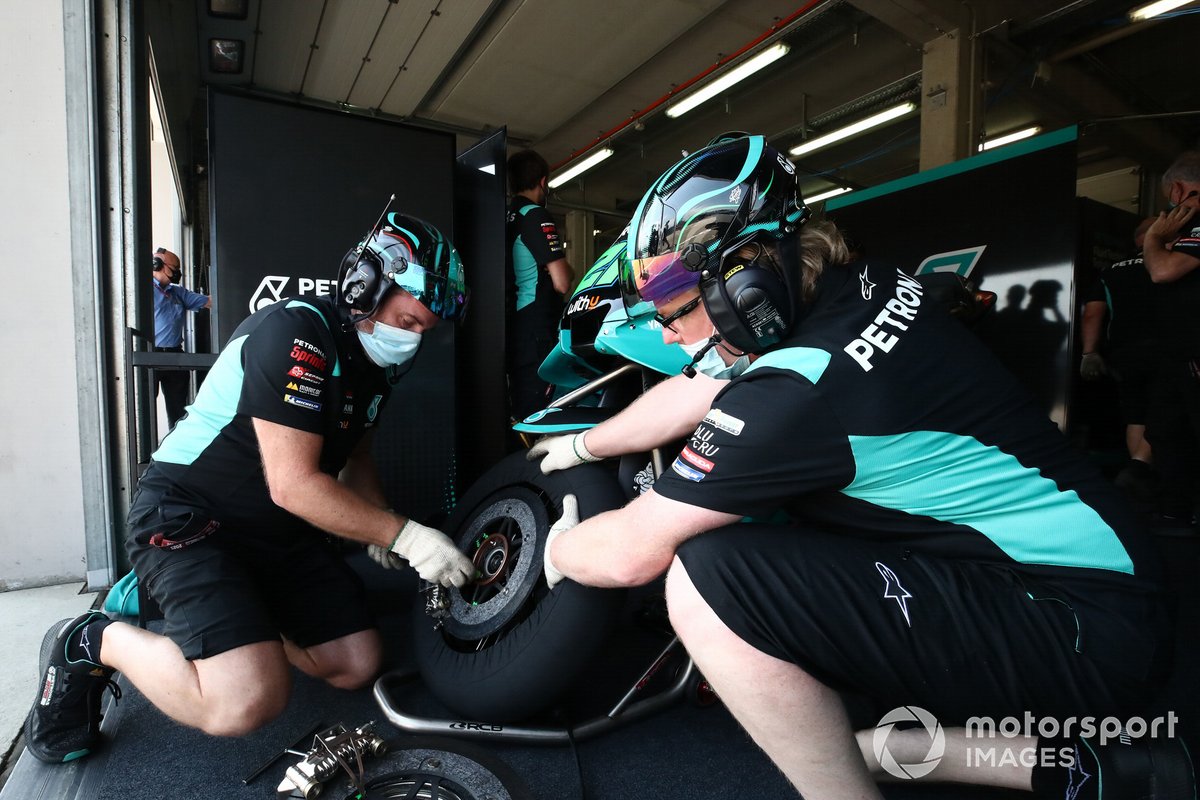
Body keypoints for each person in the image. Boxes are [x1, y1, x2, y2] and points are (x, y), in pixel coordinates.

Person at [530, 135, 1189, 799]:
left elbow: (627, 556)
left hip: (1077, 629)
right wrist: (586, 446)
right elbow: (704, 386)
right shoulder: (855, 288)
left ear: (746, 278)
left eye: (676, 310)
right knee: (867, 742)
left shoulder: (796, 394)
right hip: (1105, 591)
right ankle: (1096, 771)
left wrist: (558, 548)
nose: (669, 335)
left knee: (707, 581)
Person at [24, 212, 476, 763]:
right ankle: (93, 639)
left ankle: (217, 608)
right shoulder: (295, 330)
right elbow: (294, 486)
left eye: (423, 330)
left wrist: (376, 520)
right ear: (366, 288)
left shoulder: (378, 365)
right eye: (407, 321)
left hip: (274, 532)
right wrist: (406, 536)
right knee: (243, 700)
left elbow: (356, 454)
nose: (411, 339)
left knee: (355, 663)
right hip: (188, 516)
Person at [1078, 217, 1165, 499]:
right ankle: (1141, 469)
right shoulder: (1169, 261)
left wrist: (1090, 353)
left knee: (1135, 414)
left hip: (1123, 353)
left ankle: (1139, 477)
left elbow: (1092, 312)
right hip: (1165, 347)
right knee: (1165, 409)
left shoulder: (1111, 270)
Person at [1143, 150, 1200, 526]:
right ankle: (1175, 513)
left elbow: (1161, 272)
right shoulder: (1186, 232)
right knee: (1166, 431)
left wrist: (1152, 239)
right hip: (1178, 354)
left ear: (1178, 188)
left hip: (1194, 353)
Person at [505, 149, 575, 423]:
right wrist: (560, 265)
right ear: (543, 181)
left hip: (515, 323)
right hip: (538, 326)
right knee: (542, 412)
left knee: (522, 406)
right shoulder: (536, 215)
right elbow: (562, 282)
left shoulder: (508, 216)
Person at [151, 247, 211, 429]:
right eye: (174, 268)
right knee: (144, 406)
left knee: (178, 410)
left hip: (175, 356)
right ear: (158, 265)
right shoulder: (141, 291)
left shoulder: (177, 293)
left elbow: (209, 301)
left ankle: (175, 452)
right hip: (150, 355)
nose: (177, 272)